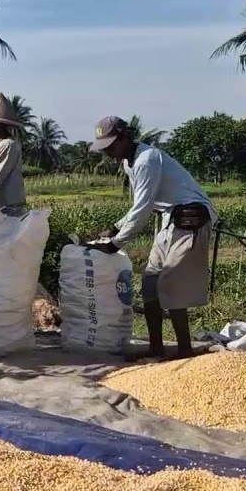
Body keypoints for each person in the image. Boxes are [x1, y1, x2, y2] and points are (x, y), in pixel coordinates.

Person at [88, 116, 217, 361]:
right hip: (170, 221)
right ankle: (156, 348)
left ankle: (184, 350)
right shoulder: (130, 163)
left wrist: (117, 242)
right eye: (105, 149)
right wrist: (116, 227)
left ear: (125, 137)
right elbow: (139, 204)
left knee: (172, 285)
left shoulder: (147, 159)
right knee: (150, 285)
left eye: (111, 146)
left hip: (191, 220)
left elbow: (144, 207)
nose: (108, 153)